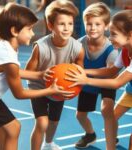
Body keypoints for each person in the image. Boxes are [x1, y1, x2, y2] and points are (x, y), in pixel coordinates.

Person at [0, 3, 74, 150]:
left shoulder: (6, 47)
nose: (32, 33)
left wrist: (39, 74)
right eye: (29, 29)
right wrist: (50, 90)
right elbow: (20, 94)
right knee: (12, 128)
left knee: (14, 128)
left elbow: (14, 71)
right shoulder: (6, 55)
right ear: (14, 31)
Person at [65, 9, 132, 150]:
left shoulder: (115, 50)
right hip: (131, 92)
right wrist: (84, 71)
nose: (110, 37)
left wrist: (86, 80)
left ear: (130, 35)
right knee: (111, 117)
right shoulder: (125, 50)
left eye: (114, 34)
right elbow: (111, 70)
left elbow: (116, 82)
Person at [25, 0, 84, 150]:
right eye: (61, 24)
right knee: (42, 122)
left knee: (54, 122)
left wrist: (77, 82)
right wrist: (41, 75)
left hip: (59, 88)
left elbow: (80, 71)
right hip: (38, 88)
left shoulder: (77, 48)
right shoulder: (41, 47)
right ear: (50, 26)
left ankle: (48, 143)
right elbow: (27, 73)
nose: (66, 28)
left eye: (70, 23)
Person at [73, 2, 118, 150]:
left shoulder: (111, 48)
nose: (93, 28)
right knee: (80, 115)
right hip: (88, 83)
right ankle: (90, 134)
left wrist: (85, 72)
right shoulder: (79, 44)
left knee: (106, 109)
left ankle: (111, 137)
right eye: (89, 24)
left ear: (106, 26)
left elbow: (110, 72)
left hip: (106, 82)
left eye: (98, 24)